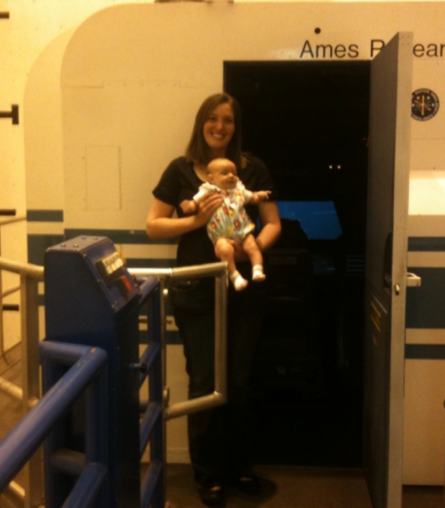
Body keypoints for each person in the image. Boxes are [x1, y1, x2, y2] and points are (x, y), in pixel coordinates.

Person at [146, 93, 281, 507]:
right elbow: (153, 226)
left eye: (228, 120)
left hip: (243, 293)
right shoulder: (181, 171)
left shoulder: (251, 168)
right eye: (212, 119)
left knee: (239, 383)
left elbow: (273, 222)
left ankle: (240, 467)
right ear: (201, 123)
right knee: (204, 381)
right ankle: (208, 475)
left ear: (236, 127)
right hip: (196, 293)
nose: (220, 127)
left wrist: (252, 245)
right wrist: (198, 221)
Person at [183, 157, 272, 291]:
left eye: (234, 173)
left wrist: (259, 195)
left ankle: (257, 269)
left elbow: (252, 198)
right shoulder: (208, 190)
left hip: (243, 230)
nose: (231, 176)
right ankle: (235, 276)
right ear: (212, 179)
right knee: (225, 251)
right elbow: (195, 202)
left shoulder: (239, 190)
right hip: (220, 235)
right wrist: (189, 206)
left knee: (253, 246)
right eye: (225, 173)